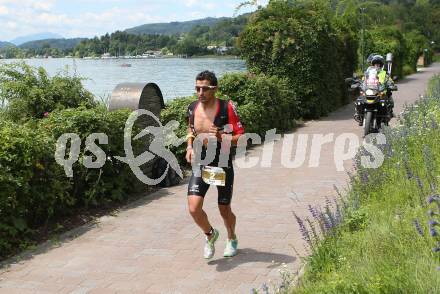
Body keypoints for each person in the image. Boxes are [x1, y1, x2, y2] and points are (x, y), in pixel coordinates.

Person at [186, 70, 244, 259]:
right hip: (201, 162)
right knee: (194, 208)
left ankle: (232, 238)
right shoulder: (192, 107)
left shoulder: (227, 107)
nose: (200, 93)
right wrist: (189, 147)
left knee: (224, 209)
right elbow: (191, 129)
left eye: (205, 89)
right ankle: (210, 235)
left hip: (222, 163)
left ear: (215, 89)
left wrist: (221, 136)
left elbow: (241, 137)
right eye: (197, 88)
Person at [354, 54, 395, 125]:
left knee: (389, 101)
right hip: (369, 91)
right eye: (375, 64)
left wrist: (391, 85)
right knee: (359, 100)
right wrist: (357, 83)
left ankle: (388, 115)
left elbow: (390, 81)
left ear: (381, 65)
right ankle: (359, 115)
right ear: (373, 65)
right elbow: (363, 81)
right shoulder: (368, 73)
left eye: (379, 64)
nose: (377, 66)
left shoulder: (384, 74)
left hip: (380, 93)